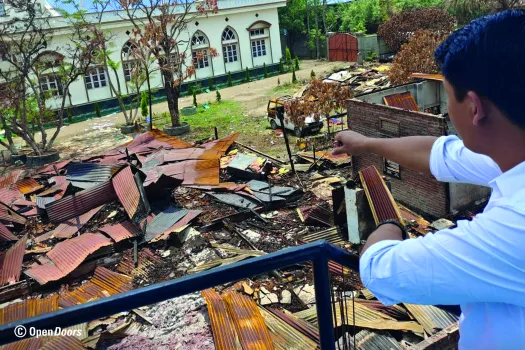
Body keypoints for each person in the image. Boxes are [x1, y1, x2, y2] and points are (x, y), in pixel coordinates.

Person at [332, 10, 525, 349]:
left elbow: (380, 269)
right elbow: (440, 153)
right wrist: (365, 143)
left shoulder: (515, 226)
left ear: (474, 108)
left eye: (449, 95)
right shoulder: (511, 153)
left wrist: (388, 225)